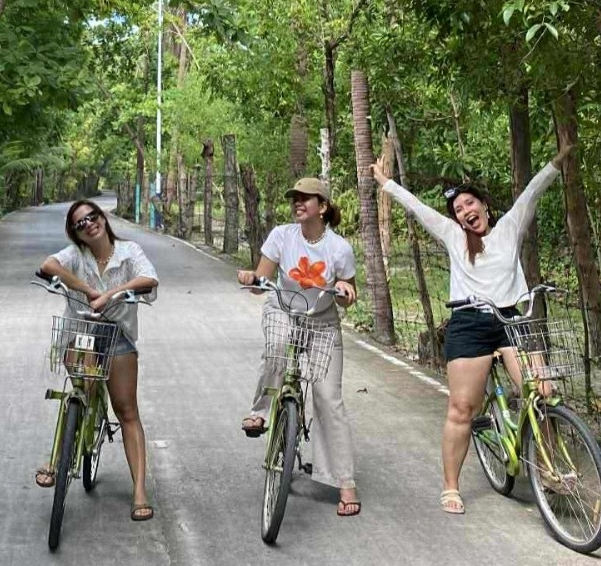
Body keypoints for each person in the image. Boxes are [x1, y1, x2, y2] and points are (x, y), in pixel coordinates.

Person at [373, 144, 573, 515]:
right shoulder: (453, 236)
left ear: (484, 205)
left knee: (542, 392)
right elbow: (419, 210)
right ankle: (451, 485)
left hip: (512, 319)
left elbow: (532, 192)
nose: (465, 212)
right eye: (458, 209)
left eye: (470, 204)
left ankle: (547, 468)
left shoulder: (510, 228)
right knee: (462, 408)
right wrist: (387, 184)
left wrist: (558, 162)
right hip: (469, 323)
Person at [236, 177, 362, 518]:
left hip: (322, 321)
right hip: (285, 310)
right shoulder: (281, 236)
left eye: (306, 199)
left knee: (327, 398)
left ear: (322, 207)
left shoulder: (339, 248)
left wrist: (345, 291)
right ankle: (260, 413)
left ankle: (344, 482)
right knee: (276, 349)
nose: (298, 203)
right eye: (295, 198)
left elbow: (350, 296)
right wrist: (252, 279)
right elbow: (262, 283)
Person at [36, 200, 160, 521]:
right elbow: (48, 265)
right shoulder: (75, 256)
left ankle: (139, 492)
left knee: (126, 410)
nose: (89, 224)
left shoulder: (129, 251)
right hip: (80, 331)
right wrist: (87, 289)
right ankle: (55, 459)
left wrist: (113, 294)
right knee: (81, 391)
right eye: (81, 223)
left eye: (93, 217)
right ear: (77, 234)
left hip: (117, 335)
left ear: (103, 218)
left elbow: (150, 279)